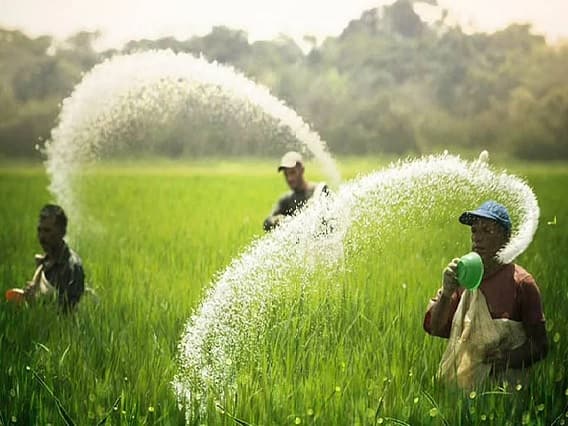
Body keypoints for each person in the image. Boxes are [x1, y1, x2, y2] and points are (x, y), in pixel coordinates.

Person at [423, 200, 547, 388]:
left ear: (506, 238)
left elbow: (540, 346)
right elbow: (435, 328)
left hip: (506, 395)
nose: (477, 238)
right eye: (474, 230)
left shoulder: (521, 283)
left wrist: (506, 359)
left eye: (487, 231)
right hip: (463, 395)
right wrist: (447, 293)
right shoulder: (463, 278)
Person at [23, 204, 85, 312]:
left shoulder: (72, 267)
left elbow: (69, 312)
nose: (41, 237)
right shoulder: (44, 262)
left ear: (62, 233)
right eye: (39, 230)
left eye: (47, 231)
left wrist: (37, 300)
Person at [263, 151, 329, 231]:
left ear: (302, 170)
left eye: (293, 173)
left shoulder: (319, 191)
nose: (289, 178)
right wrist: (277, 220)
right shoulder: (286, 200)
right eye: (286, 174)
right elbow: (267, 223)